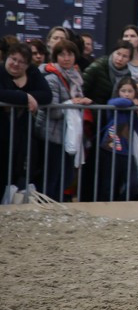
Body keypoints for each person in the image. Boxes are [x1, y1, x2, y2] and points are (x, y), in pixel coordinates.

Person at [35, 39, 93, 201]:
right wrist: (72, 103)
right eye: (62, 54)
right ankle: (45, 207)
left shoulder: (76, 76)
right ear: (55, 56)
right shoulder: (51, 77)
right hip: (52, 134)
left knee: (67, 176)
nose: (66, 58)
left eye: (70, 54)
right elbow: (52, 110)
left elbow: (75, 102)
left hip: (68, 135)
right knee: (52, 177)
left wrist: (81, 102)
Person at [1, 43, 52, 193]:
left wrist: (24, 97)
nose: (16, 64)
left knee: (17, 174)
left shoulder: (33, 73)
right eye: (13, 59)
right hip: (3, 132)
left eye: (21, 62)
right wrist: (25, 97)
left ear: (28, 64)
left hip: (22, 134)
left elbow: (46, 96)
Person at [96, 77, 138, 202]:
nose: (126, 94)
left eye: (130, 91)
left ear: (135, 93)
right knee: (109, 185)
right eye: (123, 91)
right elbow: (120, 102)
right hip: (110, 148)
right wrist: (133, 103)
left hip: (127, 150)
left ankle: (120, 203)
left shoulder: (133, 108)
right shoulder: (115, 102)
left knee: (134, 183)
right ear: (118, 92)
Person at [82, 40, 134, 106]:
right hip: (93, 110)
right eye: (118, 54)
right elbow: (82, 87)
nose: (120, 59)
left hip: (114, 113)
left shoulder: (127, 74)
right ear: (113, 53)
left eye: (125, 56)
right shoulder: (98, 66)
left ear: (129, 59)